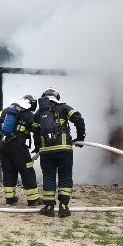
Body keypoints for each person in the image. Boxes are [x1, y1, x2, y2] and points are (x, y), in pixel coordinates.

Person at [32, 88, 86, 218]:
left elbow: (35, 133)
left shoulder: (39, 113)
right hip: (64, 149)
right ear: (57, 97)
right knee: (65, 176)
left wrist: (38, 147)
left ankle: (49, 207)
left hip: (46, 151)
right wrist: (80, 138)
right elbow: (79, 119)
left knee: (49, 176)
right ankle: (64, 207)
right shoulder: (64, 107)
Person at [0, 95, 41, 206]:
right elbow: (35, 129)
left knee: (9, 171)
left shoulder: (8, 111)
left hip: (4, 145)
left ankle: (10, 198)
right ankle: (33, 200)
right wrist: (39, 145)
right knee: (27, 170)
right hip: (18, 146)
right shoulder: (28, 114)